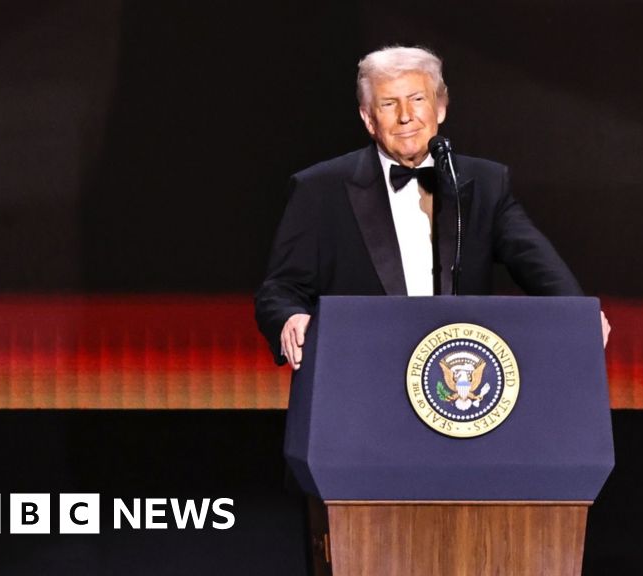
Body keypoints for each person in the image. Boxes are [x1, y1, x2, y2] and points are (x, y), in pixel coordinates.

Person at [255, 46, 609, 369]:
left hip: (458, 380)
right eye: (389, 104)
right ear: (368, 119)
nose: (406, 116)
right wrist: (290, 319)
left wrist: (579, 314)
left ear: (440, 107)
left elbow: (538, 266)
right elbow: (280, 289)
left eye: (417, 99)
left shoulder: (484, 182)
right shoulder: (320, 188)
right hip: (361, 374)